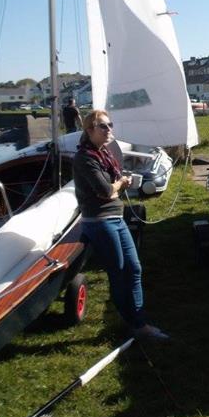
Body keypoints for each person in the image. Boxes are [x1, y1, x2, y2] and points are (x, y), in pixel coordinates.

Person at [73, 109, 168, 341]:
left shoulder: (103, 153)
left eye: (110, 125)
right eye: (103, 126)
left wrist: (118, 184)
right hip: (100, 221)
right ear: (89, 130)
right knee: (119, 273)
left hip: (116, 217)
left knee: (134, 268)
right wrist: (122, 183)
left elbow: (108, 186)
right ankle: (136, 325)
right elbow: (105, 191)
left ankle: (136, 320)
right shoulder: (85, 158)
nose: (109, 130)